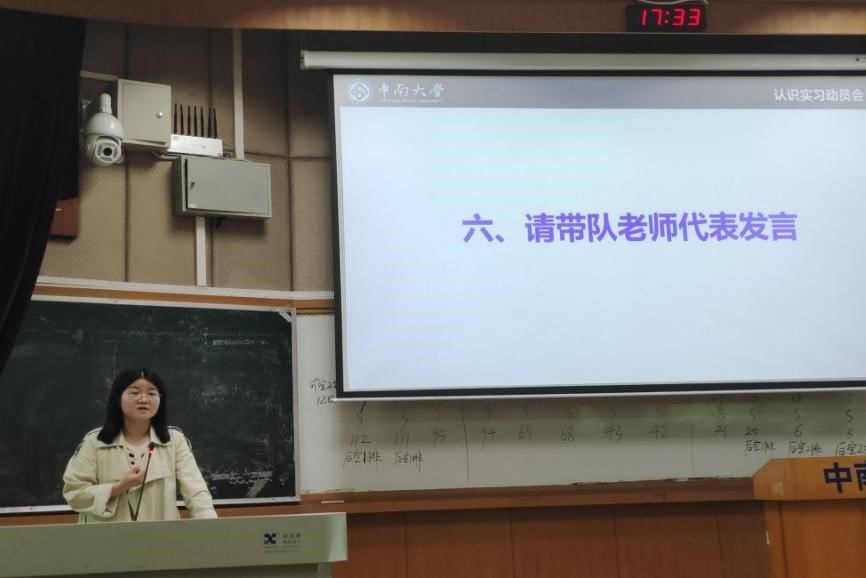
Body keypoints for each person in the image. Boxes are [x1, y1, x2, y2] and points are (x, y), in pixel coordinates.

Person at [63, 368, 218, 522]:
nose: (143, 399)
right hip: (107, 535)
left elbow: (196, 492)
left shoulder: (174, 441)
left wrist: (210, 524)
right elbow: (75, 494)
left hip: (159, 535)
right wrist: (120, 487)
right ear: (118, 397)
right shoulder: (95, 442)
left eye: (152, 393)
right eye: (135, 392)